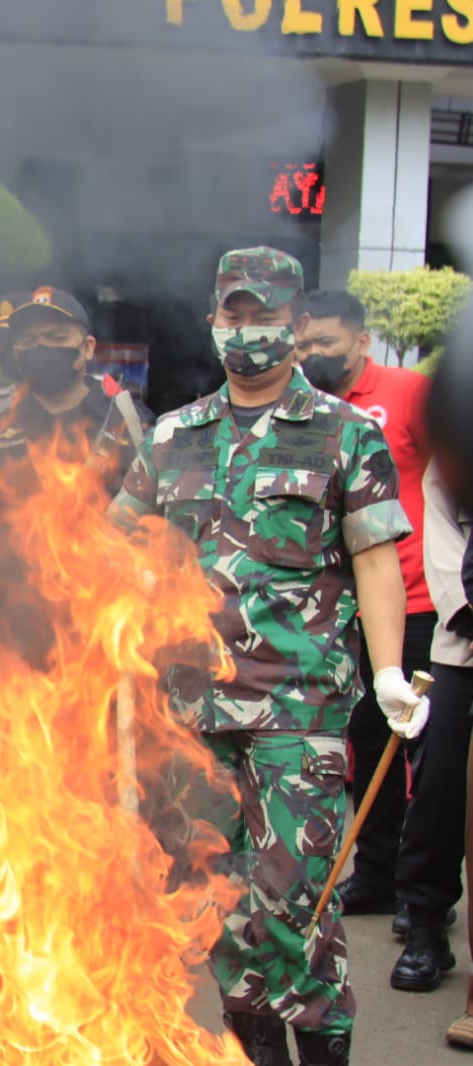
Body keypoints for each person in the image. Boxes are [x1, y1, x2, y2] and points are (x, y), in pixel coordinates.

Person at [110, 246, 423, 1066]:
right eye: (233, 313)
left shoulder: (344, 433)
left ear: (295, 325)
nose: (246, 329)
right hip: (188, 712)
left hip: (296, 710)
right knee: (213, 899)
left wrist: (387, 671)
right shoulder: (173, 435)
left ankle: (320, 1048)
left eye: (264, 315)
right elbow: (115, 547)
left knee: (293, 901)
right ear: (214, 320)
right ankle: (254, 1051)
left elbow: (375, 557)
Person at [293, 290, 440, 951]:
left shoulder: (409, 395)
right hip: (343, 608)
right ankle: (375, 875)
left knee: (427, 759)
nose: (310, 356)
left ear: (360, 343)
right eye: (302, 345)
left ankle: (423, 898)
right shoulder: (303, 410)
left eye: (324, 343)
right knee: (365, 750)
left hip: (418, 599)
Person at [409, 465, 473, 1009]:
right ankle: (426, 923)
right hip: (464, 645)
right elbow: (442, 531)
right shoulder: (460, 439)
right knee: (440, 781)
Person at [0, 287, 152, 497]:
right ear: (17, 351)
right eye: (29, 341)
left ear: (88, 348)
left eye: (56, 338)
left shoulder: (130, 421)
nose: (41, 348)